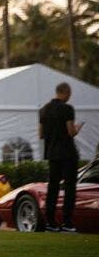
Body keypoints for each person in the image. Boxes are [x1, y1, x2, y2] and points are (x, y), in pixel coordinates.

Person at [40, 82, 84, 233]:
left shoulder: (44, 110)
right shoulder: (67, 109)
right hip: (67, 154)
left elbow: (40, 134)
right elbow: (70, 132)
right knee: (70, 189)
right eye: (69, 93)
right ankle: (67, 223)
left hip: (52, 154)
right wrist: (77, 128)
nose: (70, 96)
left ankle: (50, 223)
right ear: (64, 92)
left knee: (52, 189)